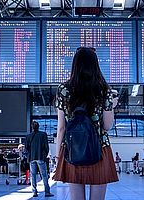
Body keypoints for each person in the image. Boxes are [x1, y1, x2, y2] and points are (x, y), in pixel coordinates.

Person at [53, 47, 119, 200]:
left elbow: (61, 127)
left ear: (75, 65)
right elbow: (107, 126)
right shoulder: (104, 90)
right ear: (95, 65)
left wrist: (58, 156)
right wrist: (111, 107)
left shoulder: (64, 89)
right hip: (99, 149)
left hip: (72, 149)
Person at [25, 121, 54, 198]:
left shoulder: (28, 136)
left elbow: (26, 148)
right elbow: (46, 147)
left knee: (33, 175)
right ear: (38, 126)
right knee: (44, 175)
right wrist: (44, 156)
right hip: (40, 157)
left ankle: (34, 192)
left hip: (32, 158)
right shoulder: (43, 135)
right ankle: (47, 192)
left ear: (32, 127)